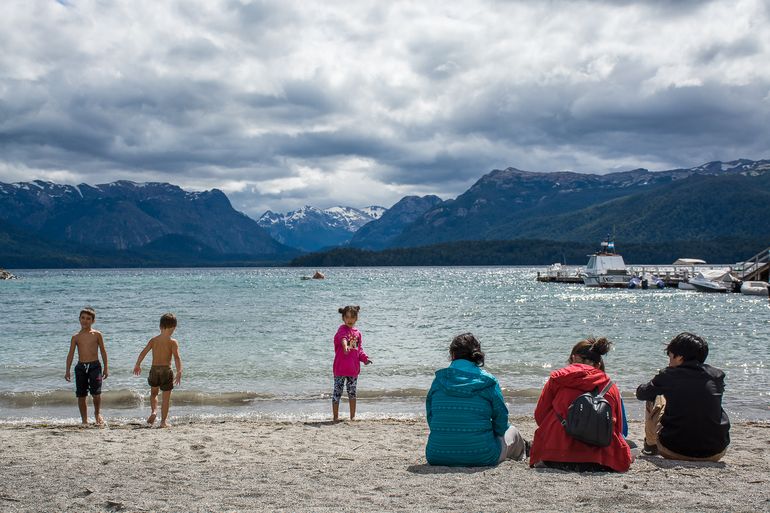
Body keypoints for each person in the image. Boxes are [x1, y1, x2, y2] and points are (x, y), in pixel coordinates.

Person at [529, 337, 632, 472]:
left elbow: (540, 416)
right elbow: (618, 428)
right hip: (601, 460)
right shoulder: (610, 386)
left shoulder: (558, 379)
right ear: (598, 364)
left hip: (554, 455)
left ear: (573, 358)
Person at [425, 333, 527, 466]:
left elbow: (431, 417)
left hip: (437, 454)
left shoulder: (439, 381)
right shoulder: (488, 381)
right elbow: (501, 420)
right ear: (476, 355)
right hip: (482, 455)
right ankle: (524, 454)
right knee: (513, 432)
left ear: (453, 355)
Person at [636, 332, 730, 461]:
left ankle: (650, 445)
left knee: (656, 397)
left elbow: (641, 393)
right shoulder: (717, 375)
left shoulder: (669, 375)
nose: (669, 361)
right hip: (715, 452)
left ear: (679, 357)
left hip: (674, 450)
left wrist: (658, 383)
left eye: (670, 356)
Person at [133, 313, 183, 428]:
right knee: (166, 398)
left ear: (160, 326)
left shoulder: (154, 340)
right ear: (174, 327)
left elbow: (143, 352)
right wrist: (179, 371)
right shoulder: (173, 342)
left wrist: (138, 364)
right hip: (166, 370)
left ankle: (154, 412)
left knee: (154, 394)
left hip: (154, 370)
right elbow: (176, 357)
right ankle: (163, 422)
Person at [64, 307, 109, 425]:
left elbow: (103, 351)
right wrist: (67, 370)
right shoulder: (76, 337)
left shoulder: (97, 334)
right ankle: (84, 420)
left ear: (93, 321)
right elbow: (70, 354)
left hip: (95, 366)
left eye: (88, 318)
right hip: (81, 367)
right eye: (83, 318)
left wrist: (106, 367)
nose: (85, 320)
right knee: (81, 395)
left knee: (96, 393)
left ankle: (97, 413)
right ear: (79, 319)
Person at [332, 305, 372, 421]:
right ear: (343, 318)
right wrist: (345, 347)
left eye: (352, 317)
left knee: (352, 393)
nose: (350, 320)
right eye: (347, 317)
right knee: (337, 393)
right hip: (340, 369)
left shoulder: (357, 333)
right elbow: (343, 338)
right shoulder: (341, 329)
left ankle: (353, 416)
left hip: (353, 370)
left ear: (356, 318)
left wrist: (364, 359)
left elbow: (358, 350)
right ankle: (335, 417)